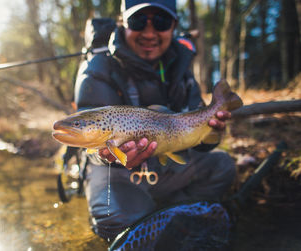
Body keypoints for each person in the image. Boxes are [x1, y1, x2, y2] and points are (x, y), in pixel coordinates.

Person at [74, 0, 235, 241]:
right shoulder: (97, 68)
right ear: (123, 24)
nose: (149, 33)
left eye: (160, 22)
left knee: (222, 167)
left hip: (167, 163)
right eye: (138, 21)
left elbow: (195, 133)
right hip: (115, 172)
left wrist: (212, 132)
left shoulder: (181, 64)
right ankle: (146, 211)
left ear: (173, 26)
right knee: (120, 224)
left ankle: (168, 210)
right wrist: (105, 155)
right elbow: (91, 143)